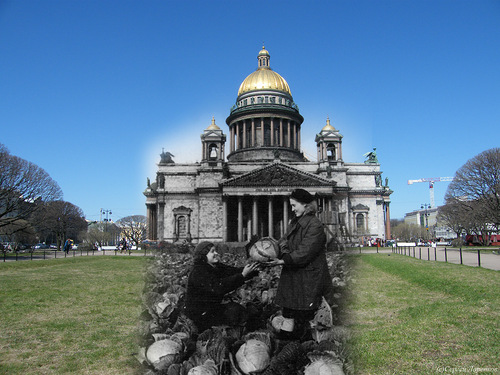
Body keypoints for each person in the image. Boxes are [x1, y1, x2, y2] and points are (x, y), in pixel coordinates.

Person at [269, 188, 334, 341]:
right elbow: (284, 242)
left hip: (308, 277)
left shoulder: (315, 225)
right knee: (289, 314)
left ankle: (304, 347)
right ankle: (287, 346)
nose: (292, 209)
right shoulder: (295, 223)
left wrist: (285, 260)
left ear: (305, 205)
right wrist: (274, 251)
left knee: (305, 316)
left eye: (294, 205)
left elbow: (306, 251)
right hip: (295, 274)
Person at [183, 241, 260, 333]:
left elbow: (233, 271)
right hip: (199, 314)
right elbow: (219, 287)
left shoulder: (215, 266)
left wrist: (254, 270)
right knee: (235, 310)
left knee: (238, 310)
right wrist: (242, 275)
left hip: (210, 309)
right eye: (212, 251)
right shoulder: (198, 271)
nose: (216, 253)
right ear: (203, 255)